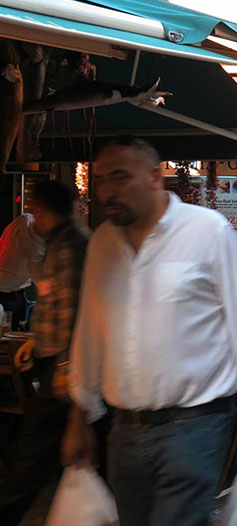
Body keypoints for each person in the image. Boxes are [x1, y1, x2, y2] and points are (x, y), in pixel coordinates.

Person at [63, 136, 237, 526]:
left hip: (194, 427)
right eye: (99, 181)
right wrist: (80, 418)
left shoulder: (207, 231)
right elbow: (89, 335)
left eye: (120, 178)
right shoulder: (102, 245)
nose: (107, 191)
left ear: (155, 177)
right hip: (124, 429)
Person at [0, 181, 87, 523]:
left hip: (63, 369)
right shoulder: (57, 244)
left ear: (47, 211)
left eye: (37, 210)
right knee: (55, 449)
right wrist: (36, 341)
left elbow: (73, 309)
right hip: (55, 361)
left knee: (33, 455)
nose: (34, 216)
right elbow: (54, 303)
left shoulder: (69, 247)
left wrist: (65, 364)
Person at [0, 212, 44, 331]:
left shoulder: (24, 220)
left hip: (16, 292)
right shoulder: (33, 251)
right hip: (10, 293)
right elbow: (44, 284)